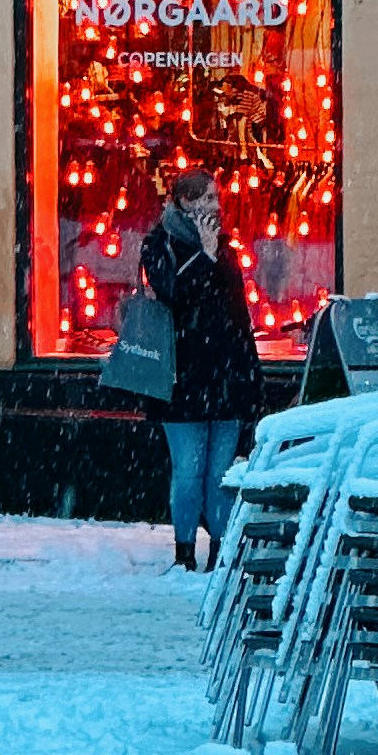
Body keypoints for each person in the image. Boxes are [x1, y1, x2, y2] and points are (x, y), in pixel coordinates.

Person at [136, 169, 258, 570]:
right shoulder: (159, 244)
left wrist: (249, 371)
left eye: (215, 198)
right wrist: (203, 256)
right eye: (206, 199)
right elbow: (175, 295)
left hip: (225, 375)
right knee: (188, 472)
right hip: (182, 379)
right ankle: (184, 552)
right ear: (185, 203)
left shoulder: (224, 246)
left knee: (220, 474)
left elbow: (237, 312)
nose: (214, 207)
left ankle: (220, 552)